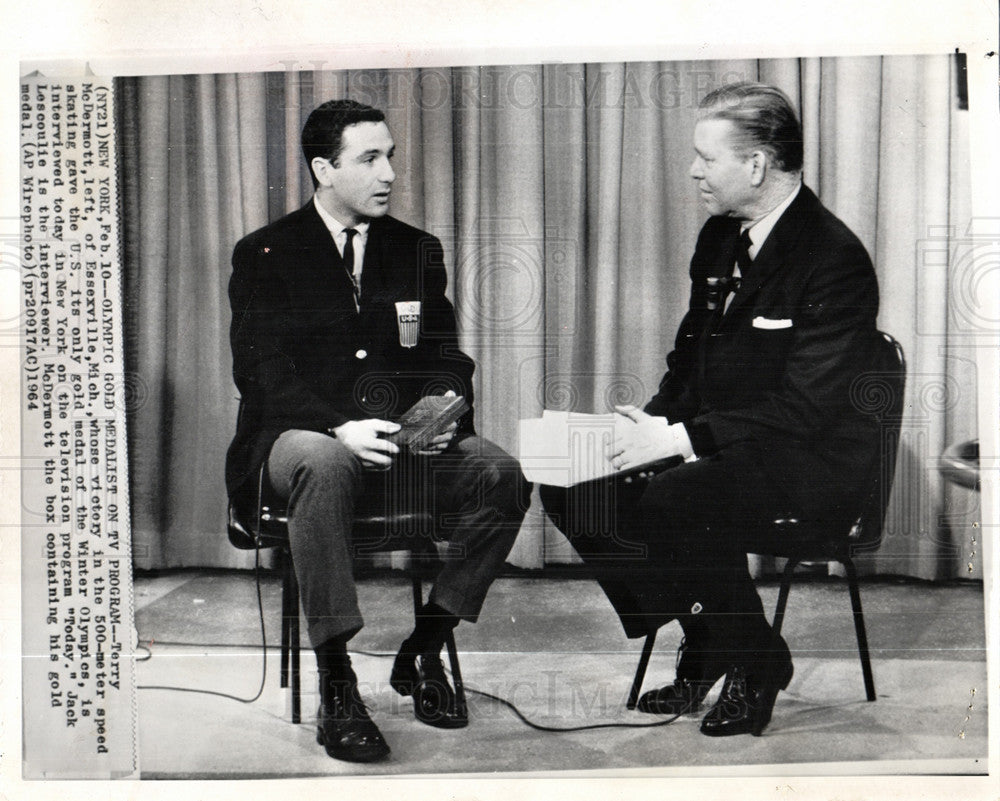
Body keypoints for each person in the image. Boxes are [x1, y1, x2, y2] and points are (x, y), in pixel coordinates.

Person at [540, 82, 882, 737]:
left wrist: (676, 440)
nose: (694, 170)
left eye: (706, 156)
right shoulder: (719, 239)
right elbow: (689, 366)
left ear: (756, 165)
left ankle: (754, 660)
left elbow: (805, 409)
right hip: (731, 446)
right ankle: (712, 632)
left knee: (676, 496)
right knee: (565, 474)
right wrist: (642, 427)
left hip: (813, 461)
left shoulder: (833, 260)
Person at [226, 99, 531, 763]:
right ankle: (339, 683)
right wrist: (339, 425)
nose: (389, 171)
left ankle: (423, 648)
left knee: (501, 474)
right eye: (369, 158)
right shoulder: (266, 252)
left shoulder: (415, 249)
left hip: (401, 444)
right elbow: (261, 371)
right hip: (299, 440)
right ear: (323, 169)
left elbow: (448, 355)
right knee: (325, 461)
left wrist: (445, 407)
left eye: (390, 154)